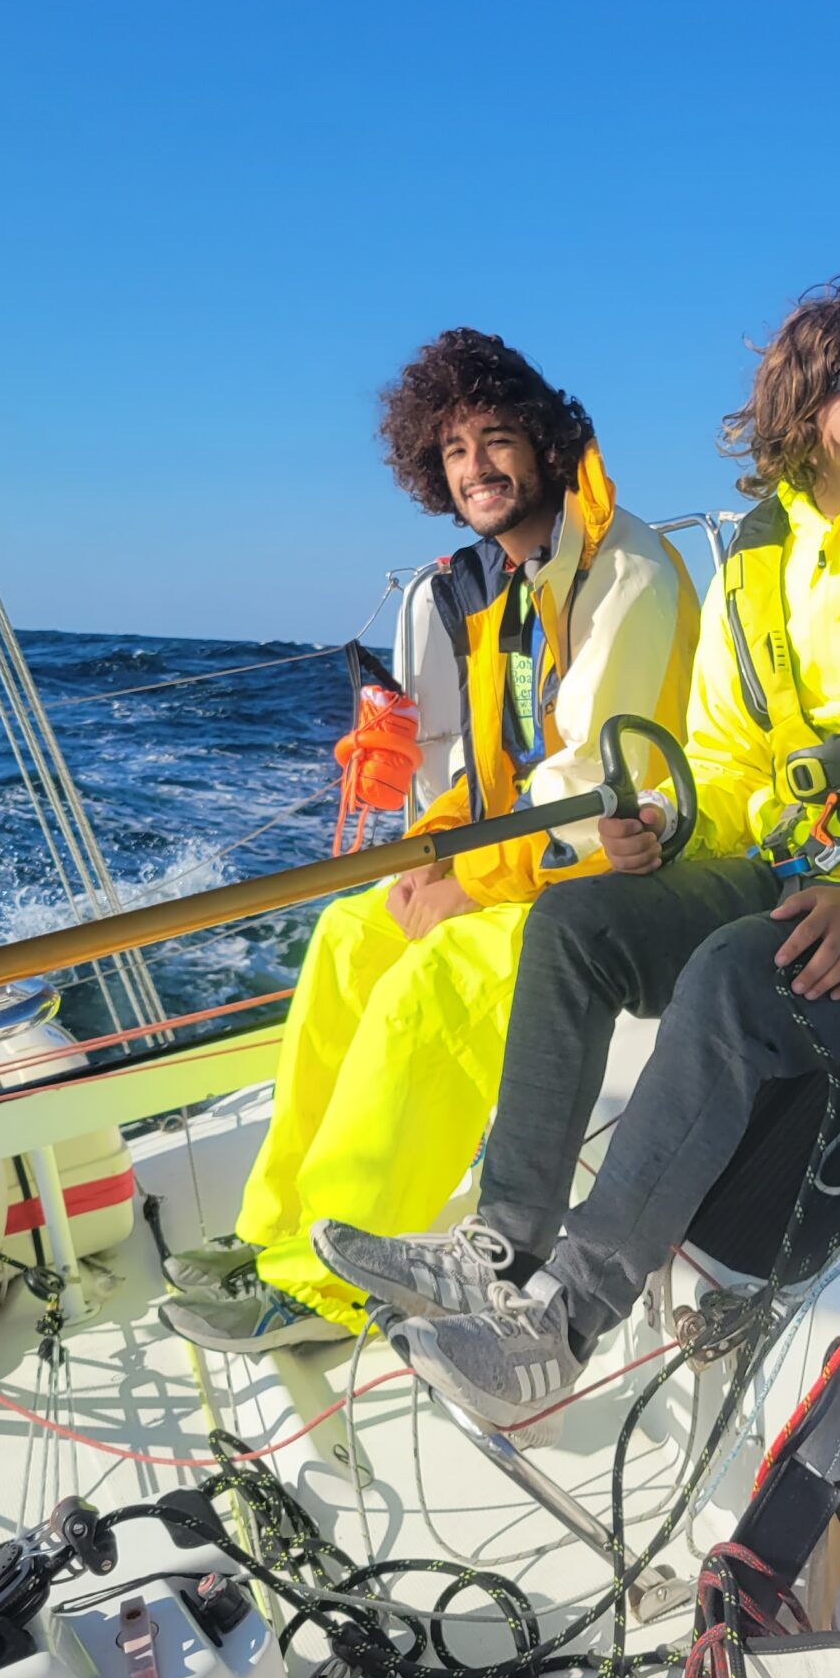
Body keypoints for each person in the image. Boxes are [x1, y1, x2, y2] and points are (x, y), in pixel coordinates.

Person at [314, 278, 840, 1423]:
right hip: (806, 875)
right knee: (580, 920)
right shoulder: (755, 568)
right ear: (806, 407)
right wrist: (670, 827)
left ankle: (562, 1324)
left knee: (741, 971)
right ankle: (499, 1245)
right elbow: (734, 764)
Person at [161, 328, 698, 1353]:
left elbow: (592, 789)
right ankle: (276, 1232)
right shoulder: (511, 586)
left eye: (496, 440)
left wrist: (471, 888)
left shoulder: (623, 572)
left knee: (434, 983)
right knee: (347, 937)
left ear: (543, 441)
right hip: (529, 865)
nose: (476, 467)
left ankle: (330, 1285)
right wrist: (433, 855)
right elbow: (488, 775)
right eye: (454, 450)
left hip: (615, 883)